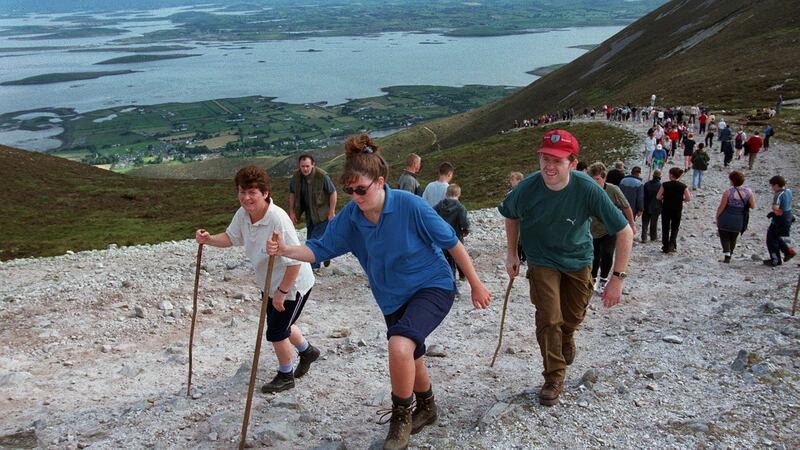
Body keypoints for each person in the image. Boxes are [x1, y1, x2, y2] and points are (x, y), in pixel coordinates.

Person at [267, 134, 491, 450]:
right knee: (411, 355)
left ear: (380, 181)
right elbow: (319, 249)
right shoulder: (351, 217)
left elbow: (451, 242)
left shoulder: (410, 206)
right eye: (349, 190)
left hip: (432, 286)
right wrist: (285, 249)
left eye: (362, 189)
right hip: (391, 295)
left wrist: (476, 284)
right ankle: (428, 407)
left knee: (400, 345)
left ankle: (402, 416)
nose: (356, 196)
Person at [499, 130, 633, 407]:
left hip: (578, 259)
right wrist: (512, 252)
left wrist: (617, 278)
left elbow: (624, 230)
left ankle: (568, 334)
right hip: (541, 260)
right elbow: (510, 214)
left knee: (572, 315)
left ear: (572, 163)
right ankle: (554, 375)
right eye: (545, 158)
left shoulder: (587, 188)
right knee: (549, 317)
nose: (549, 166)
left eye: (557, 161)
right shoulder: (527, 188)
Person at [195, 165, 319, 394]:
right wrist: (209, 239)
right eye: (242, 191)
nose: (246, 197)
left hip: (293, 284)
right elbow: (232, 238)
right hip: (269, 282)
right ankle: (307, 351)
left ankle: (285, 374)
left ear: (265, 193)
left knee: (276, 331)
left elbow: (295, 261)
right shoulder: (243, 215)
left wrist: (282, 293)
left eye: (252, 192)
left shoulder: (278, 219)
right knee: (283, 324)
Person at [587, 162, 635, 293]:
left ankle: (603, 280)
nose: (595, 182)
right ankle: (593, 280)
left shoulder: (613, 190)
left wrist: (631, 224)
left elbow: (626, 206)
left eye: (597, 179)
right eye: (592, 179)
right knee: (594, 256)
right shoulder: (588, 190)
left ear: (604, 178)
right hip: (591, 230)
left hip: (610, 229)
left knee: (607, 253)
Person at [289, 154, 337, 269]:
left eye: (307, 166)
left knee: (312, 241)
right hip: (309, 214)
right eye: (302, 166)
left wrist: (331, 211)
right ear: (299, 166)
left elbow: (333, 192)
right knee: (312, 238)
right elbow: (292, 194)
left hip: (322, 214)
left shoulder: (322, 176)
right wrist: (292, 211)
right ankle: (326, 255)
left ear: (313, 164)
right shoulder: (296, 177)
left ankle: (313, 266)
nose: (305, 169)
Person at [715, 171, 756, 263]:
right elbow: (753, 206)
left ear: (732, 181)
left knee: (724, 236)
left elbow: (722, 206)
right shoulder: (748, 192)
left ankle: (727, 254)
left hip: (727, 217)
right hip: (740, 218)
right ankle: (730, 253)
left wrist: (717, 216)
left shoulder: (728, 192)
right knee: (734, 237)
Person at [434, 184, 470, 280]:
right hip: (456, 237)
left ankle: (449, 277)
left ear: (446, 193)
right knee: (459, 257)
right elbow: (464, 222)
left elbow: (432, 215)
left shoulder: (439, 205)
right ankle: (462, 275)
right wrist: (466, 230)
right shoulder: (460, 207)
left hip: (441, 237)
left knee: (446, 259)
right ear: (459, 194)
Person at [656, 167, 691, 253]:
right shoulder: (683, 186)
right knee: (675, 227)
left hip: (666, 208)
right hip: (677, 209)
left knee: (665, 227)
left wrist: (664, 197)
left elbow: (658, 196)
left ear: (671, 175)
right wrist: (681, 199)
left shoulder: (665, 184)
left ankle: (665, 246)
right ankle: (672, 244)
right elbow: (688, 198)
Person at [764, 175, 796, 266]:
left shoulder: (778, 194)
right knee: (778, 237)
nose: (772, 188)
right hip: (788, 218)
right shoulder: (788, 191)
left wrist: (774, 212)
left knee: (771, 240)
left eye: (772, 185)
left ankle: (775, 260)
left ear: (776, 185)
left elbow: (775, 208)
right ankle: (788, 251)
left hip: (779, 221)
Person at [642, 169, 663, 243]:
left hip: (646, 205)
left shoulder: (647, 184)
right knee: (654, 222)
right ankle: (653, 237)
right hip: (656, 206)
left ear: (653, 175)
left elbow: (643, 195)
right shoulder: (660, 186)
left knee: (645, 222)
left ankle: (644, 237)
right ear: (660, 176)